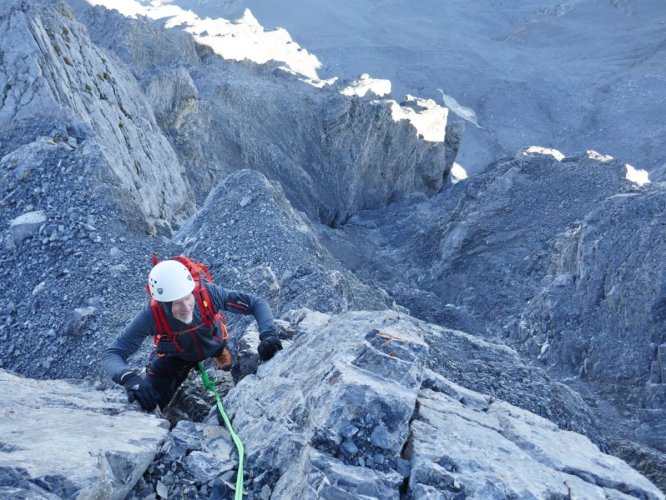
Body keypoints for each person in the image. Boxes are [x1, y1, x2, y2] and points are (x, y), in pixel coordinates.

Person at [102, 259, 283, 411]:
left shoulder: (207, 294)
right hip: (176, 357)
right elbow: (113, 354)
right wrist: (130, 378)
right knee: (149, 402)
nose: (187, 306)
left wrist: (267, 334)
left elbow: (256, 303)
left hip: (213, 343)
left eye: (188, 298)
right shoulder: (152, 316)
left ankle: (218, 353)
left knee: (226, 363)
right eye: (178, 303)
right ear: (164, 304)